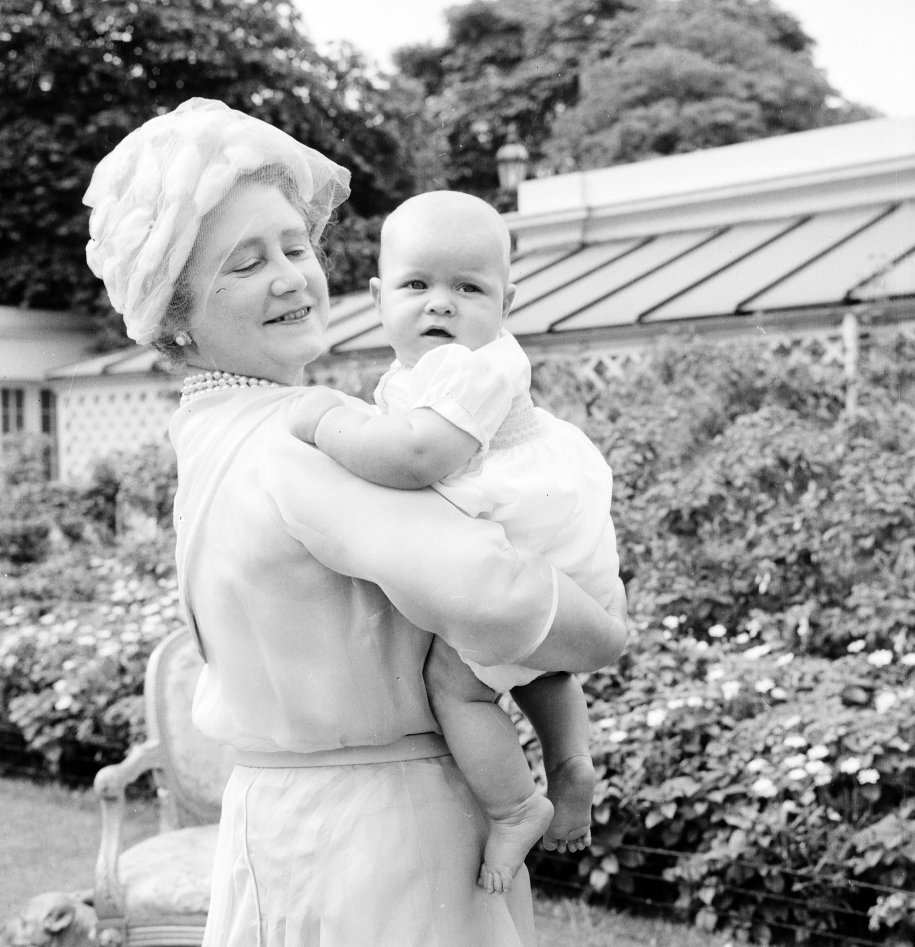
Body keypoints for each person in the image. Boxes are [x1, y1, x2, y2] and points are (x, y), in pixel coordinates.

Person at [83, 98, 627, 947]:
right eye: (243, 263)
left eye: (295, 247)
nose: (291, 277)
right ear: (175, 311)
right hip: (380, 840)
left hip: (284, 818)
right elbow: (492, 593)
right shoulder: (303, 435)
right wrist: (604, 632)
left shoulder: (208, 434)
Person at [288, 190, 621, 895]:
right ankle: (569, 761)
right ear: (379, 297)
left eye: (467, 288)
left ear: (505, 299)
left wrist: (325, 422)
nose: (439, 304)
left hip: (523, 523)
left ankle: (514, 806)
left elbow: (416, 458)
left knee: (458, 686)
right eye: (417, 285)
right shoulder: (432, 370)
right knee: (536, 664)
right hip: (552, 527)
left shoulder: (470, 367)